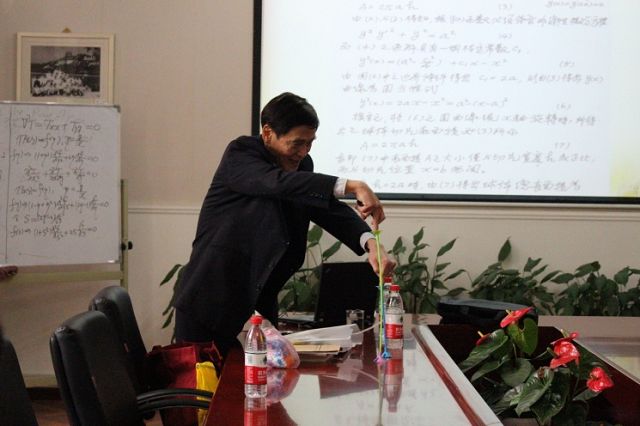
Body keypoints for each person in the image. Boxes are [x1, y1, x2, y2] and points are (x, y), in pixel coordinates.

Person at [174, 92, 395, 356]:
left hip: (260, 305)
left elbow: (328, 210)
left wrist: (370, 243)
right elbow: (277, 183)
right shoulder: (241, 154)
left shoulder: (302, 166)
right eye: (297, 143)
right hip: (210, 302)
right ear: (268, 133)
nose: (303, 152)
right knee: (206, 381)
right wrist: (352, 185)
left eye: (310, 143)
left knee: (269, 376)